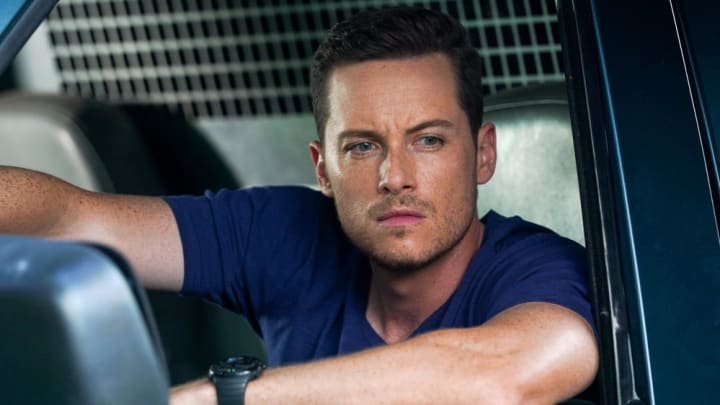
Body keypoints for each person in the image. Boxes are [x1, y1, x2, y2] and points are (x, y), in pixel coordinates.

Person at [0, 6, 598, 404]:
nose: (395, 177)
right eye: (362, 147)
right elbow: (67, 218)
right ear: (322, 169)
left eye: (429, 141)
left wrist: (223, 396)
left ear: (483, 154)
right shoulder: (287, 234)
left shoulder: (537, 268)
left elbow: (504, 376)